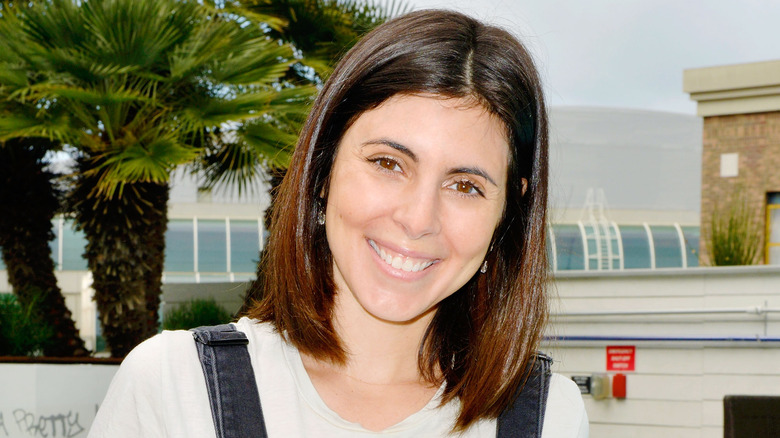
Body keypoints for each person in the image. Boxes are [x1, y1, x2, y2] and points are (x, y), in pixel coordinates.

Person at [89, 9, 588, 438]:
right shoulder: (178, 389)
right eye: (388, 163)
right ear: (323, 169)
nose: (417, 219)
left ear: (507, 214)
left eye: (465, 186)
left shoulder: (546, 417)